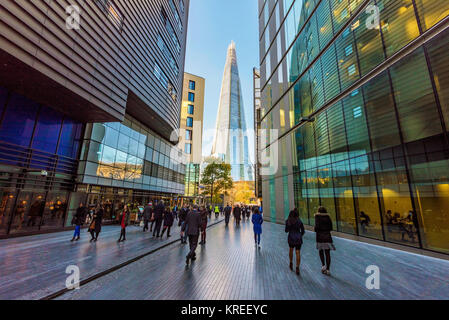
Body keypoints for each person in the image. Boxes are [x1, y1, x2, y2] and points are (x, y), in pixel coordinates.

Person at [314, 206, 335, 276]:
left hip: (320, 237)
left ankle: (323, 266)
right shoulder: (328, 218)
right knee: (327, 253)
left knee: (321, 251)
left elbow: (316, 228)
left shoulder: (317, 217)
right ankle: (328, 269)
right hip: (327, 237)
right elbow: (331, 228)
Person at [285, 209, 305, 275]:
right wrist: (300, 235)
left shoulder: (288, 221)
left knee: (291, 249)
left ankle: (291, 262)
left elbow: (286, 230)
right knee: (298, 252)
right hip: (298, 238)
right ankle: (297, 267)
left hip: (291, 237)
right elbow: (303, 231)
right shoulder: (299, 221)